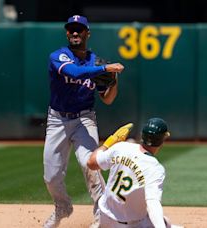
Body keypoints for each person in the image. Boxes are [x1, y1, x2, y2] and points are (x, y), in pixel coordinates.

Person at [43, 15, 125, 228]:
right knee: (51, 176)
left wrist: (113, 82)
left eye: (80, 29)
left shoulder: (95, 62)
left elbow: (107, 99)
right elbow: (73, 71)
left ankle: (101, 214)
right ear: (67, 33)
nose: (75, 33)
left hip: (84, 119)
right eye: (71, 29)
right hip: (57, 120)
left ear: (88, 33)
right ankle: (63, 207)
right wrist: (106, 69)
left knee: (90, 164)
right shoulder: (58, 56)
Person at [87, 118, 184, 228]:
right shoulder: (155, 168)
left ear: (142, 136)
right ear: (162, 141)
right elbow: (153, 203)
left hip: (104, 218)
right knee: (166, 222)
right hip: (133, 225)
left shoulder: (121, 147)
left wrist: (109, 143)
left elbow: (91, 163)